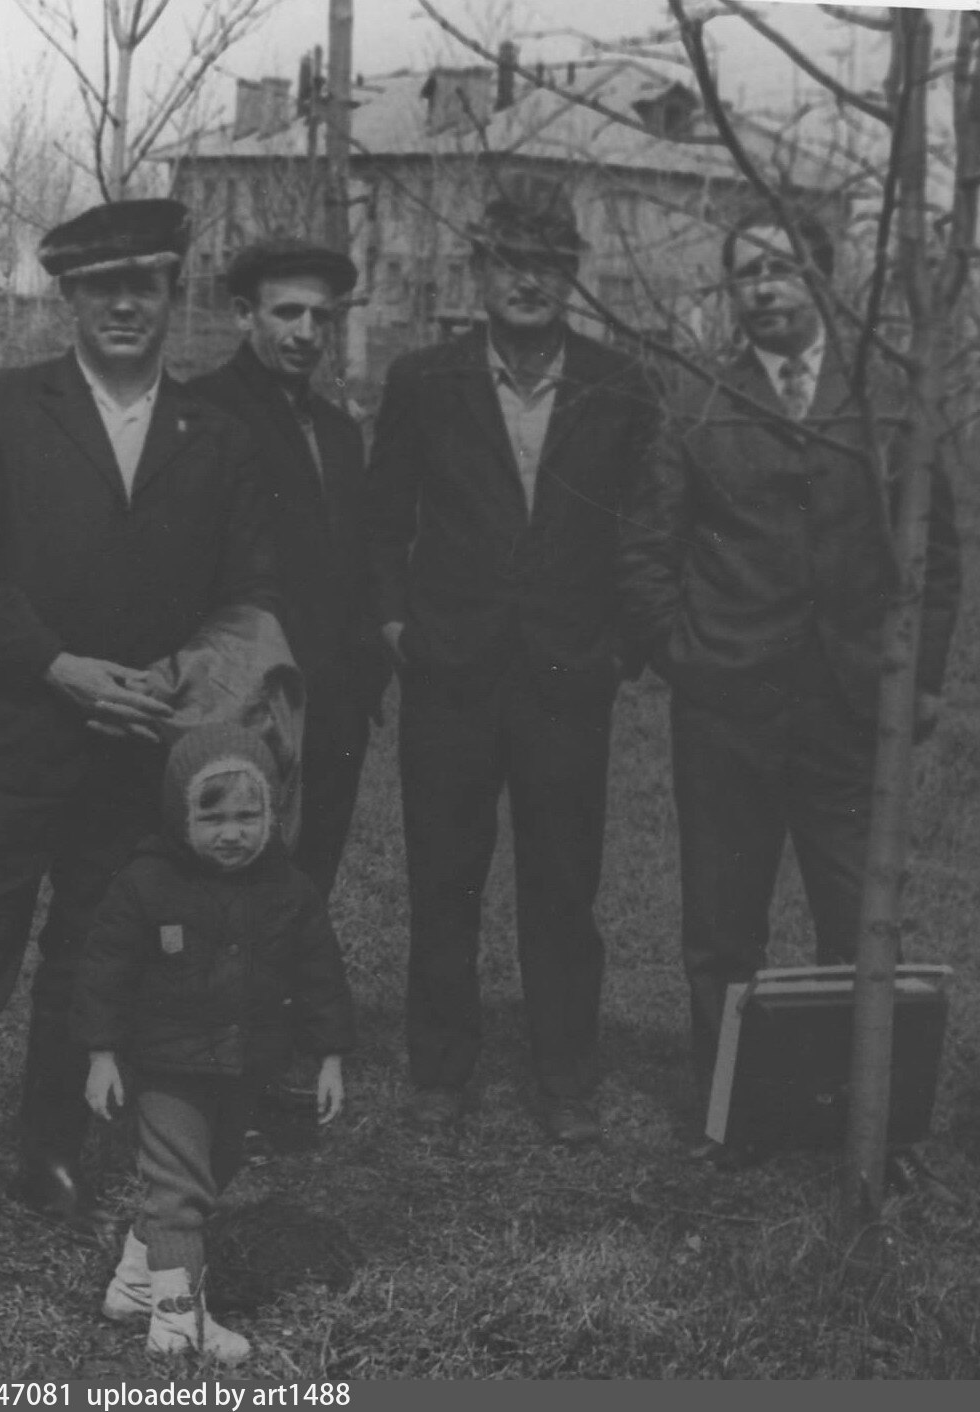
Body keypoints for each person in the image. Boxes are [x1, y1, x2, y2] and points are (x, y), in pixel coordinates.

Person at [0, 199, 277, 1251]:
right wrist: (57, 666)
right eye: (99, 285)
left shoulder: (217, 437)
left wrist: (175, 681)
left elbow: (243, 592)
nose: (124, 303)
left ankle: (54, 1155)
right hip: (10, 738)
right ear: (67, 295)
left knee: (95, 954)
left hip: (139, 751)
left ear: (176, 292)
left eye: (147, 283)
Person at [619, 206, 962, 1144]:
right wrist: (686, 657)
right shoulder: (697, 404)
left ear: (823, 278)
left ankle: (851, 1118)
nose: (764, 288)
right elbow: (647, 553)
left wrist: (918, 680)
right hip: (727, 710)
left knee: (855, 923)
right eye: (746, 274)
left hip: (851, 711)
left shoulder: (886, 402)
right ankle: (730, 1115)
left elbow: (940, 559)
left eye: (782, 269)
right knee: (724, 931)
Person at [363, 183, 658, 1145]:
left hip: (570, 678)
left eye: (548, 265)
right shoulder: (424, 381)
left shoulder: (619, 387)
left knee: (564, 886)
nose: (528, 282)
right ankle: (439, 1071)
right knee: (445, 877)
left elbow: (645, 527)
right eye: (508, 263)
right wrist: (398, 628)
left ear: (574, 277)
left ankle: (565, 1074)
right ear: (479, 272)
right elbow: (383, 521)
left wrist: (622, 646)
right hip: (452, 673)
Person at [74, 724, 353, 1364]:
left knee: (210, 1173)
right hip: (166, 1065)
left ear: (273, 815)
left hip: (244, 1064)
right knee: (178, 1191)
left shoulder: (289, 889)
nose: (232, 833)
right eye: (213, 817)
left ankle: (134, 1284)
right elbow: (102, 973)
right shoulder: (146, 882)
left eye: (249, 816)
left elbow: (320, 975)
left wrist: (330, 1056)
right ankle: (179, 1326)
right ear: (180, 817)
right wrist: (101, 1052)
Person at [184, 239, 388, 897]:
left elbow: (352, 555)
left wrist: (363, 675)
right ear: (245, 314)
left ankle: (291, 1001)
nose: (306, 333)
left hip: (335, 701)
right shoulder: (201, 410)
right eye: (287, 313)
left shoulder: (336, 429)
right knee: (227, 877)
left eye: (321, 317)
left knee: (307, 881)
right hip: (244, 694)